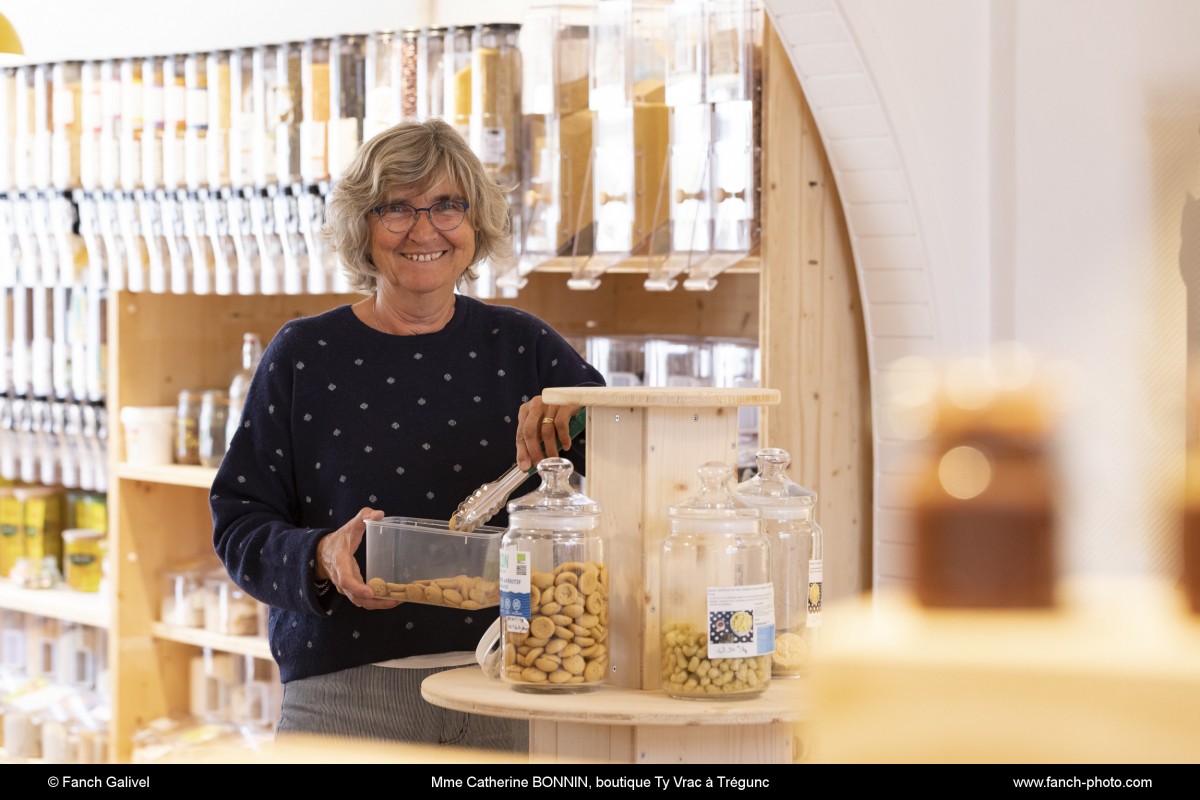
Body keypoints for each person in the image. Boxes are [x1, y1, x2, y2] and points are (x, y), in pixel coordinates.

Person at [210, 118, 604, 752]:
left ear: (475, 222)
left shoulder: (524, 345)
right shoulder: (305, 355)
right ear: (362, 227)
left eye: (448, 205)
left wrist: (584, 413)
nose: (424, 231)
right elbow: (239, 522)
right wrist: (320, 555)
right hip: (346, 695)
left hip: (514, 679)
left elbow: (623, 452)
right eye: (396, 208)